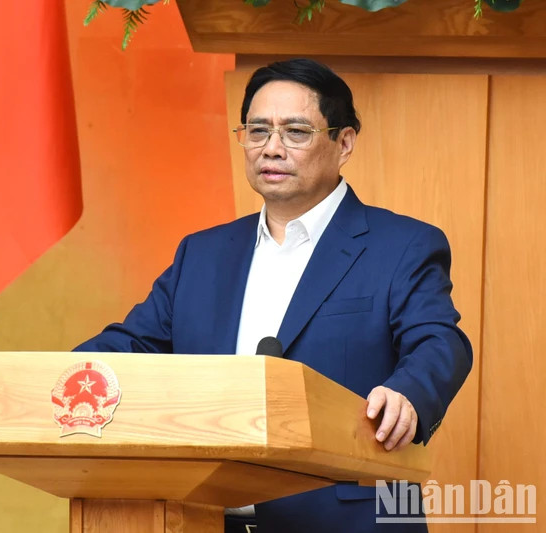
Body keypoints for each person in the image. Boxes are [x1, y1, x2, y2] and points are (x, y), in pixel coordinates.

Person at [74, 58, 472, 532]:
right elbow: (131, 347)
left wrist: (409, 393)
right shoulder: (202, 254)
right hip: (202, 516)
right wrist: (54, 381)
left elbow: (440, 343)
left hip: (344, 518)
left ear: (343, 142)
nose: (272, 148)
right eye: (258, 131)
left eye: (296, 132)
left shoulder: (402, 245)